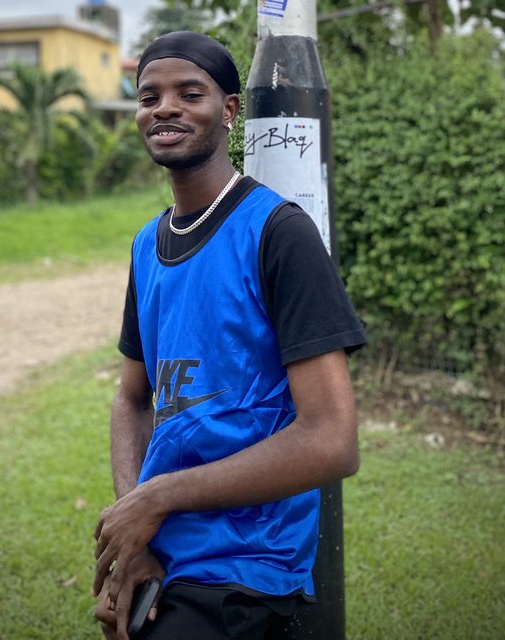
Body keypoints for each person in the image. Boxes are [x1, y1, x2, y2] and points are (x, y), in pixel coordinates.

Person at [93, 31, 366, 640]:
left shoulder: (277, 232)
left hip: (246, 563)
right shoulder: (147, 245)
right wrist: (136, 525)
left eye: (190, 93)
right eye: (149, 96)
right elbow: (133, 400)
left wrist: (158, 497)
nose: (165, 108)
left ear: (230, 110)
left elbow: (332, 441)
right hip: (164, 547)